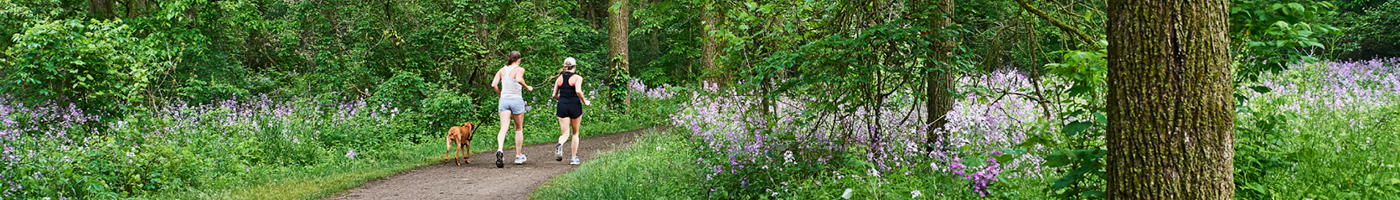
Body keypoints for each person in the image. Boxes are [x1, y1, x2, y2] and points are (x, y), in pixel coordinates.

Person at [491, 51, 534, 168]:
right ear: (518, 60)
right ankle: (518, 156)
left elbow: (494, 85)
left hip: (504, 100)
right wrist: (527, 87)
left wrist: (500, 94)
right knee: (518, 128)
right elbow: (519, 79)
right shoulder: (520, 69)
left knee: (503, 128)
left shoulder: (502, 70)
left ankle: (500, 149)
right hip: (516, 100)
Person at [550, 57, 592, 165]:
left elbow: (554, 95)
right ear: (574, 66)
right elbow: (578, 91)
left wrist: (563, 100)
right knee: (575, 133)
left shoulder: (559, 79)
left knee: (565, 134)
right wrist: (584, 101)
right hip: (574, 105)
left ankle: (560, 143)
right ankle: (573, 158)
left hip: (562, 106)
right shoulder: (577, 78)